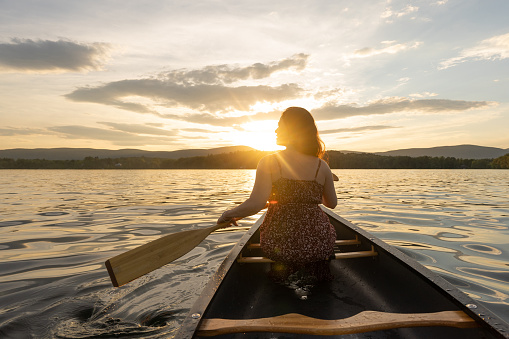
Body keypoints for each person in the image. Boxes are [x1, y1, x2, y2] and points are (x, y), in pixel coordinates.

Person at [217, 107, 338, 282]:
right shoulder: (322, 166)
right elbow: (331, 204)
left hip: (280, 245)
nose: (275, 130)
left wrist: (228, 214)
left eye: (280, 126)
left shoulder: (269, 161)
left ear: (292, 130)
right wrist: (309, 195)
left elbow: (256, 203)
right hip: (318, 245)